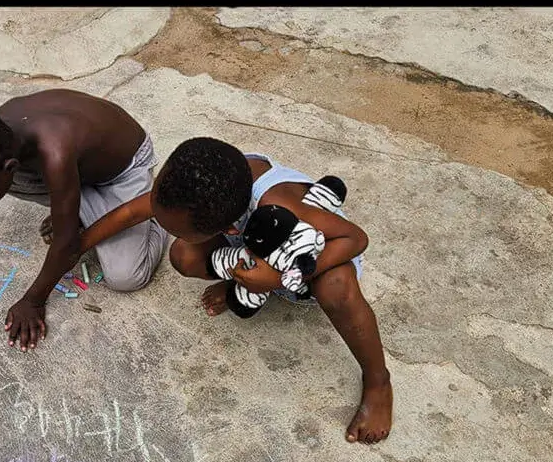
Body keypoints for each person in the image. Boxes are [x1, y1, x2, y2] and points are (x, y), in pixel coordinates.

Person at [78, 137, 392, 444]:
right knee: (184, 256)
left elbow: (355, 239)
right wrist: (79, 242)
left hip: (311, 252)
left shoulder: (279, 203)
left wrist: (278, 279)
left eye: (172, 229)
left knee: (337, 289)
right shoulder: (199, 182)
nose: (166, 230)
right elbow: (132, 213)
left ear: (229, 231)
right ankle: (244, 283)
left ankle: (378, 380)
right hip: (255, 244)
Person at [0, 90, 169, 351]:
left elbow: (67, 246)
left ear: (10, 167)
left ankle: (155, 209)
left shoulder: (54, 151)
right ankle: (76, 203)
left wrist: (33, 301)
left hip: (123, 170)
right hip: (77, 166)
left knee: (126, 276)